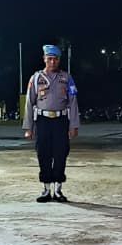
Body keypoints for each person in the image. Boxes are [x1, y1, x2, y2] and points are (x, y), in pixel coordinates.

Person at [23, 44, 79, 202]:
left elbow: (73, 102)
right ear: (44, 59)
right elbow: (29, 103)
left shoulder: (67, 78)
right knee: (43, 154)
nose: (52, 62)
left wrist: (73, 125)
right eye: (49, 59)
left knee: (61, 154)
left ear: (59, 60)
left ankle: (58, 190)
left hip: (61, 121)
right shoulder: (36, 78)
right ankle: (46, 189)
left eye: (55, 59)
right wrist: (28, 127)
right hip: (43, 121)